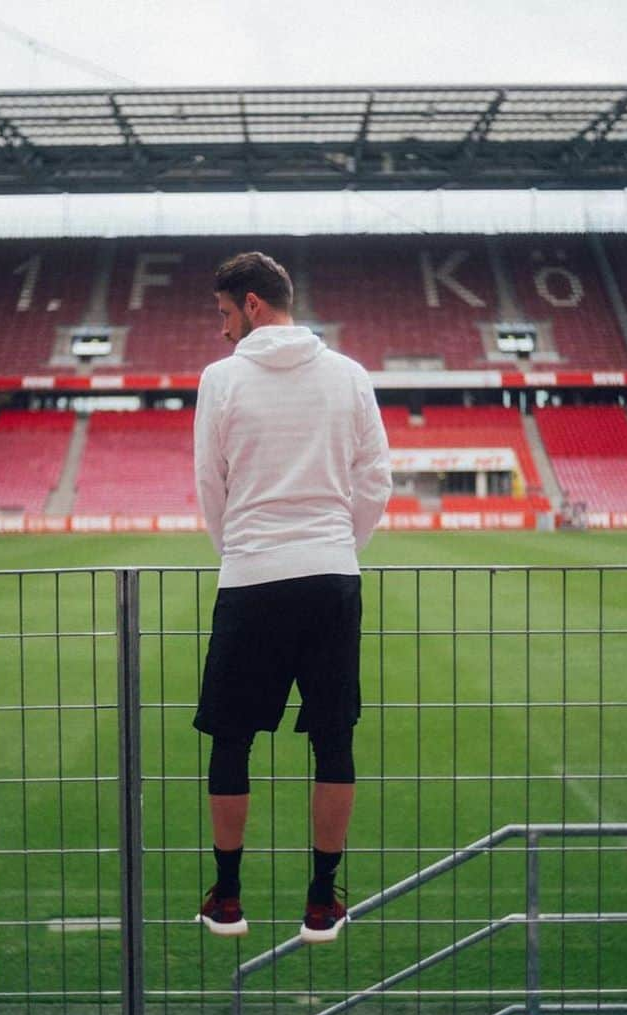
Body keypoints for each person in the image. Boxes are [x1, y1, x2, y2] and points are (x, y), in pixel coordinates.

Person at [192, 251, 392, 943]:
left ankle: (229, 899)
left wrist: (242, 549)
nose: (220, 330)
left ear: (252, 304)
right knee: (333, 740)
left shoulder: (221, 381)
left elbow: (210, 487)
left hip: (250, 572)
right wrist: (340, 545)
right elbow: (376, 482)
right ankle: (319, 901)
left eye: (223, 313)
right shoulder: (351, 376)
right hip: (332, 573)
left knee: (231, 739)